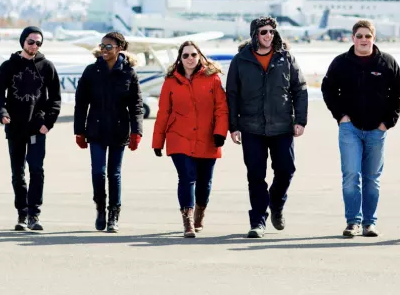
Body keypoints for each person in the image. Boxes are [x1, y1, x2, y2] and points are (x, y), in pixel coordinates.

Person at [321, 20, 400, 238]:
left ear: (373, 38)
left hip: (377, 130)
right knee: (350, 175)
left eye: (367, 36)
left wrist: (388, 122)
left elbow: (398, 93)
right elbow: (328, 89)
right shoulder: (341, 63)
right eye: (359, 36)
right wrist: (341, 116)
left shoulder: (386, 62)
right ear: (353, 38)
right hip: (350, 129)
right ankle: (353, 222)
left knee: (371, 178)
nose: (363, 40)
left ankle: (369, 223)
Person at [226, 16, 308, 238]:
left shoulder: (285, 58)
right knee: (255, 175)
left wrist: (300, 120)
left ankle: (277, 203)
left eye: (272, 31)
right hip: (251, 127)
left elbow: (299, 89)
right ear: (255, 34)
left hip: (282, 126)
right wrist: (233, 127)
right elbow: (231, 96)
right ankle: (258, 222)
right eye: (264, 32)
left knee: (286, 170)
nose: (268, 35)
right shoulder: (240, 60)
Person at [152, 41, 229, 238]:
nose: (189, 59)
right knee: (186, 177)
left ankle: (200, 211)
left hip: (207, 137)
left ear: (199, 56)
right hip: (179, 137)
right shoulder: (170, 81)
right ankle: (187, 219)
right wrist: (157, 141)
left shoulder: (213, 79)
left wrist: (220, 132)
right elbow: (163, 113)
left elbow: (221, 108)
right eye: (185, 55)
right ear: (180, 58)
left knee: (204, 182)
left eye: (193, 55)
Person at [0, 26, 61, 232]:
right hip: (14, 128)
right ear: (23, 42)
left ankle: (34, 214)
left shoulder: (47, 66)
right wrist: (2, 113)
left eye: (38, 42)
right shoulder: (8, 66)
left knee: (37, 170)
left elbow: (55, 98)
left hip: (38, 128)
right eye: (31, 42)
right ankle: (22, 214)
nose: (34, 46)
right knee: (18, 173)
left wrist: (48, 122)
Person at [74, 32, 144, 233]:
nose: (104, 50)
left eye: (109, 47)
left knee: (114, 174)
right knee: (98, 172)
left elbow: (136, 105)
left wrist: (136, 132)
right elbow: (81, 103)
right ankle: (100, 209)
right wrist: (79, 131)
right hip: (95, 130)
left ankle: (114, 213)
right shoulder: (91, 71)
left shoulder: (128, 73)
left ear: (120, 48)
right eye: (102, 46)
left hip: (119, 130)